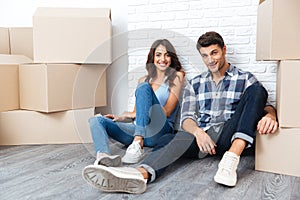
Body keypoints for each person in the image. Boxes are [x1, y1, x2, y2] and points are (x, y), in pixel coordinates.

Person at [82, 31, 278, 194]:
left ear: (224, 50)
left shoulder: (244, 78)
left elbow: (261, 102)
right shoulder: (196, 83)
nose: (210, 60)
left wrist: (270, 115)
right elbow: (187, 119)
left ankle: (230, 160)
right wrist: (198, 133)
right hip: (202, 139)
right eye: (205, 55)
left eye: (214, 53)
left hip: (229, 134)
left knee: (257, 90)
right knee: (171, 139)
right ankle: (139, 175)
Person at [84, 39, 185, 168]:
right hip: (139, 128)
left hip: (159, 130)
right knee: (96, 120)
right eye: (158, 55)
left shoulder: (177, 76)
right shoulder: (143, 80)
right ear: (153, 58)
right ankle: (103, 156)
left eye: (167, 55)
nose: (163, 59)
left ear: (171, 58)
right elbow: (136, 113)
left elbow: (168, 111)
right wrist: (121, 117)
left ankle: (138, 142)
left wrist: (150, 111)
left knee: (143, 87)